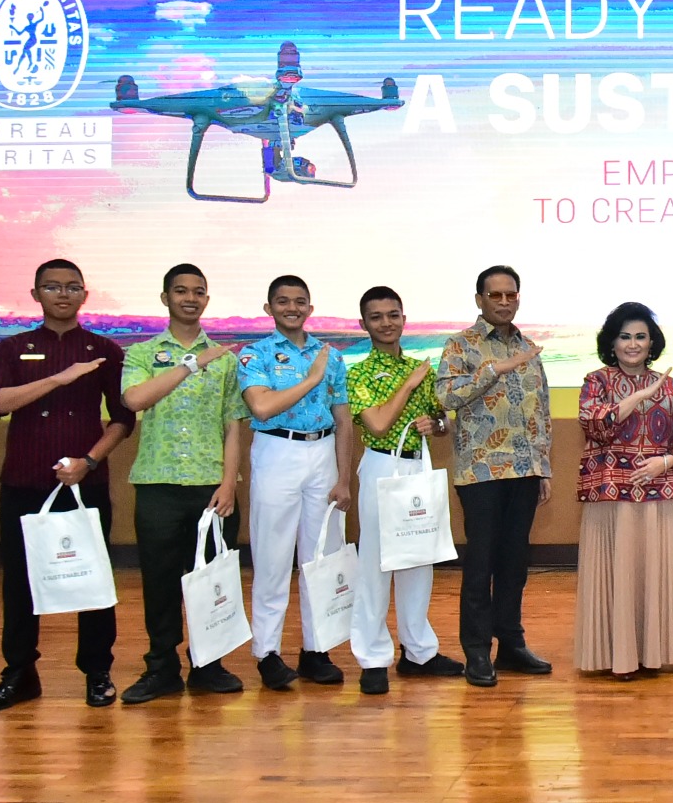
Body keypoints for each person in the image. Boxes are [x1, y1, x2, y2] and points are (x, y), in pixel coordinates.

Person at [0, 260, 134, 713]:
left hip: (85, 483)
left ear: (84, 294)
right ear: (35, 294)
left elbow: (122, 419)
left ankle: (97, 671)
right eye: (52, 287)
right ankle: (20, 673)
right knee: (19, 581)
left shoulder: (104, 350)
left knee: (93, 579)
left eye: (71, 287)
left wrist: (89, 461)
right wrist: (58, 379)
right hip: (24, 481)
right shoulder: (12, 347)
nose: (62, 294)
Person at [117, 264, 247, 704]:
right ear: (165, 298)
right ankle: (161, 668)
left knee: (212, 580)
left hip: (212, 487)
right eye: (181, 291)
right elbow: (134, 399)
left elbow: (233, 425)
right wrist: (190, 365)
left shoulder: (225, 358)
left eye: (198, 292)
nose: (190, 298)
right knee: (159, 582)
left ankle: (208, 665)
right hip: (158, 483)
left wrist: (229, 483)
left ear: (206, 299)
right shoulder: (142, 353)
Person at [435, 265, 554, 686]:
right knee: (481, 563)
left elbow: (540, 409)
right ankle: (477, 650)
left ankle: (511, 645)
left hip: (525, 470)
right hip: (481, 472)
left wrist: (543, 467)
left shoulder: (528, 347)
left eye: (510, 295)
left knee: (514, 564)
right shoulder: (460, 345)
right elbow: (446, 396)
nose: (504, 302)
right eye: (495, 295)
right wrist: (494, 370)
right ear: (479, 299)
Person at [574, 302, 673, 680]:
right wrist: (640, 395)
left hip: (660, 493)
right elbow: (595, 425)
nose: (632, 344)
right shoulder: (596, 381)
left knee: (652, 575)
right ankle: (619, 657)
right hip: (609, 495)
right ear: (612, 343)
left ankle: (652, 654)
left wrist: (665, 462)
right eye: (625, 337)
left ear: (652, 343)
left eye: (640, 337)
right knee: (618, 575)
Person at [347, 286, 465, 695]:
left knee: (418, 559)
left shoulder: (422, 369)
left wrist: (438, 425)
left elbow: (444, 422)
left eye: (393, 315)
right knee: (377, 564)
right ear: (363, 324)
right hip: (381, 465)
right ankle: (372, 657)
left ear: (403, 318)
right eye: (376, 317)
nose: (386, 323)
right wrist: (409, 385)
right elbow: (378, 425)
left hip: (419, 464)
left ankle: (419, 653)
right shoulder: (358, 373)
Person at [238, 275, 353, 689]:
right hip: (276, 451)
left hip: (322, 452)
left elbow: (343, 420)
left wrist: (344, 478)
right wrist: (310, 379)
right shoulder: (254, 354)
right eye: (283, 301)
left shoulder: (330, 356)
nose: (292, 308)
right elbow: (262, 407)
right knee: (272, 557)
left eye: (300, 301)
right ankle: (267, 652)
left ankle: (316, 650)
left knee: (322, 556)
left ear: (310, 307)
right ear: (268, 308)